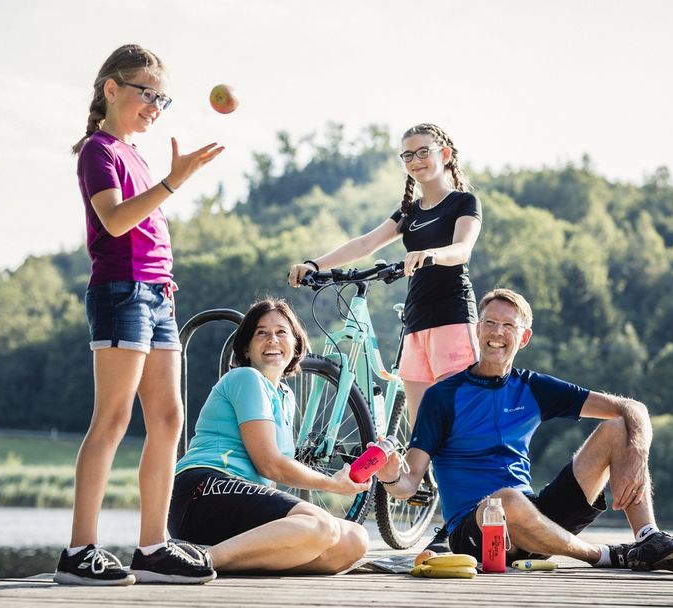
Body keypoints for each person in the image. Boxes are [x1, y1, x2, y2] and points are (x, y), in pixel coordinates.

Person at [376, 288, 673, 572]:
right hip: (475, 531)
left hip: (534, 519)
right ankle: (604, 555)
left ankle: (648, 538)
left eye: (508, 325)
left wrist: (637, 453)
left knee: (619, 428)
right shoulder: (443, 396)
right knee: (505, 500)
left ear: (524, 337)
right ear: (477, 330)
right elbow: (409, 482)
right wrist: (391, 477)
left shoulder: (532, 387)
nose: (497, 332)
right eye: (490, 323)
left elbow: (632, 408)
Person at [53, 44, 224, 586]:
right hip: (121, 293)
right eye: (148, 93)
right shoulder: (97, 151)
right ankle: (79, 552)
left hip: (158, 295)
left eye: (162, 99)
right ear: (112, 89)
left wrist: (168, 180)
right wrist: (174, 181)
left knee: (169, 418)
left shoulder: (134, 153)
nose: (156, 106)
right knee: (112, 419)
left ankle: (152, 549)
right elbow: (115, 220)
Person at [288, 123, 482, 426]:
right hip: (416, 321)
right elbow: (365, 244)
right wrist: (314, 264)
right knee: (421, 429)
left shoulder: (463, 202)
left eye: (423, 152)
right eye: (408, 155)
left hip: (452, 317)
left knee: (456, 422)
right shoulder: (409, 211)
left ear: (444, 154)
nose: (415, 161)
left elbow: (462, 249)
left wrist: (431, 254)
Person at [168, 298, 371, 574]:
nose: (272, 339)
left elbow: (268, 481)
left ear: (296, 344)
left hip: (237, 501)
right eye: (261, 333)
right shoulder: (246, 378)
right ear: (246, 348)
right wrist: (332, 484)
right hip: (202, 490)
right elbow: (269, 464)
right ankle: (200, 558)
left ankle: (230, 559)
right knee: (321, 525)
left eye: (281, 332)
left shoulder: (285, 396)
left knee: (353, 540)